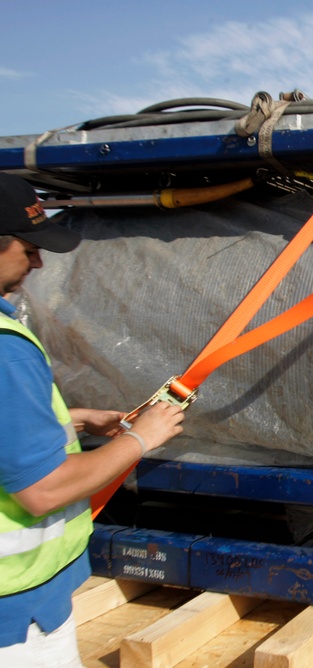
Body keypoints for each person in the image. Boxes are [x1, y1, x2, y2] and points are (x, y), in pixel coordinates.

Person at [0, 173, 186, 667]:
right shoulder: (4, 349)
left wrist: (75, 420)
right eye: (28, 247)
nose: (39, 261)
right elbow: (41, 490)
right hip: (17, 619)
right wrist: (140, 440)